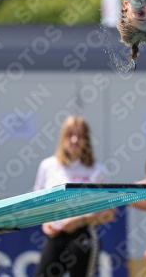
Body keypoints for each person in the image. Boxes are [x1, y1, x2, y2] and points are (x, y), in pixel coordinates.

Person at [33, 116, 115, 277]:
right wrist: (46, 221)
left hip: (83, 234)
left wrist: (81, 219)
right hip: (55, 234)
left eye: (80, 136)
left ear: (87, 140)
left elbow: (110, 212)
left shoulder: (98, 171)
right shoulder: (48, 166)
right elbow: (38, 203)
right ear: (63, 137)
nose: (75, 140)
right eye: (70, 134)